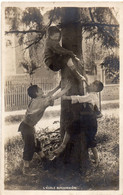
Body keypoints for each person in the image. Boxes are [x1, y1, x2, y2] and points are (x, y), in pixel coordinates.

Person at [18, 81, 71, 176]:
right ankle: (26, 170)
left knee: (36, 144)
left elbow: (49, 94)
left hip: (28, 126)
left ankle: (46, 163)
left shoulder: (38, 99)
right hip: (26, 127)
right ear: (37, 93)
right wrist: (66, 89)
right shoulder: (39, 102)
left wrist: (58, 86)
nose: (42, 89)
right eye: (40, 89)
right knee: (29, 147)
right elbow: (55, 97)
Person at [49, 80, 104, 166]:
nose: (90, 84)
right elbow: (85, 88)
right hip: (85, 120)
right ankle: (62, 146)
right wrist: (85, 80)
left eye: (93, 84)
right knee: (70, 127)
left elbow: (81, 98)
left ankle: (97, 160)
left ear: (95, 88)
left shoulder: (92, 96)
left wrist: (67, 98)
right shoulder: (92, 94)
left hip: (90, 122)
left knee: (91, 141)